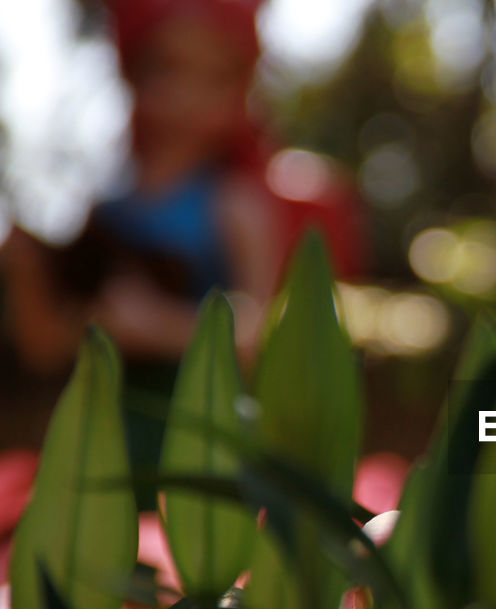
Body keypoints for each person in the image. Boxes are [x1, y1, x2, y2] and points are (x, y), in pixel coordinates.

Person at [0, 0, 363, 490]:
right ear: (133, 71)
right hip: (107, 449)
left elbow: (265, 334)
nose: (187, 96)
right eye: (168, 69)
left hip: (207, 452)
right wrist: (27, 274)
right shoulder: (105, 213)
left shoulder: (235, 205)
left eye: (213, 78)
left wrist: (158, 326)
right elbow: (46, 348)